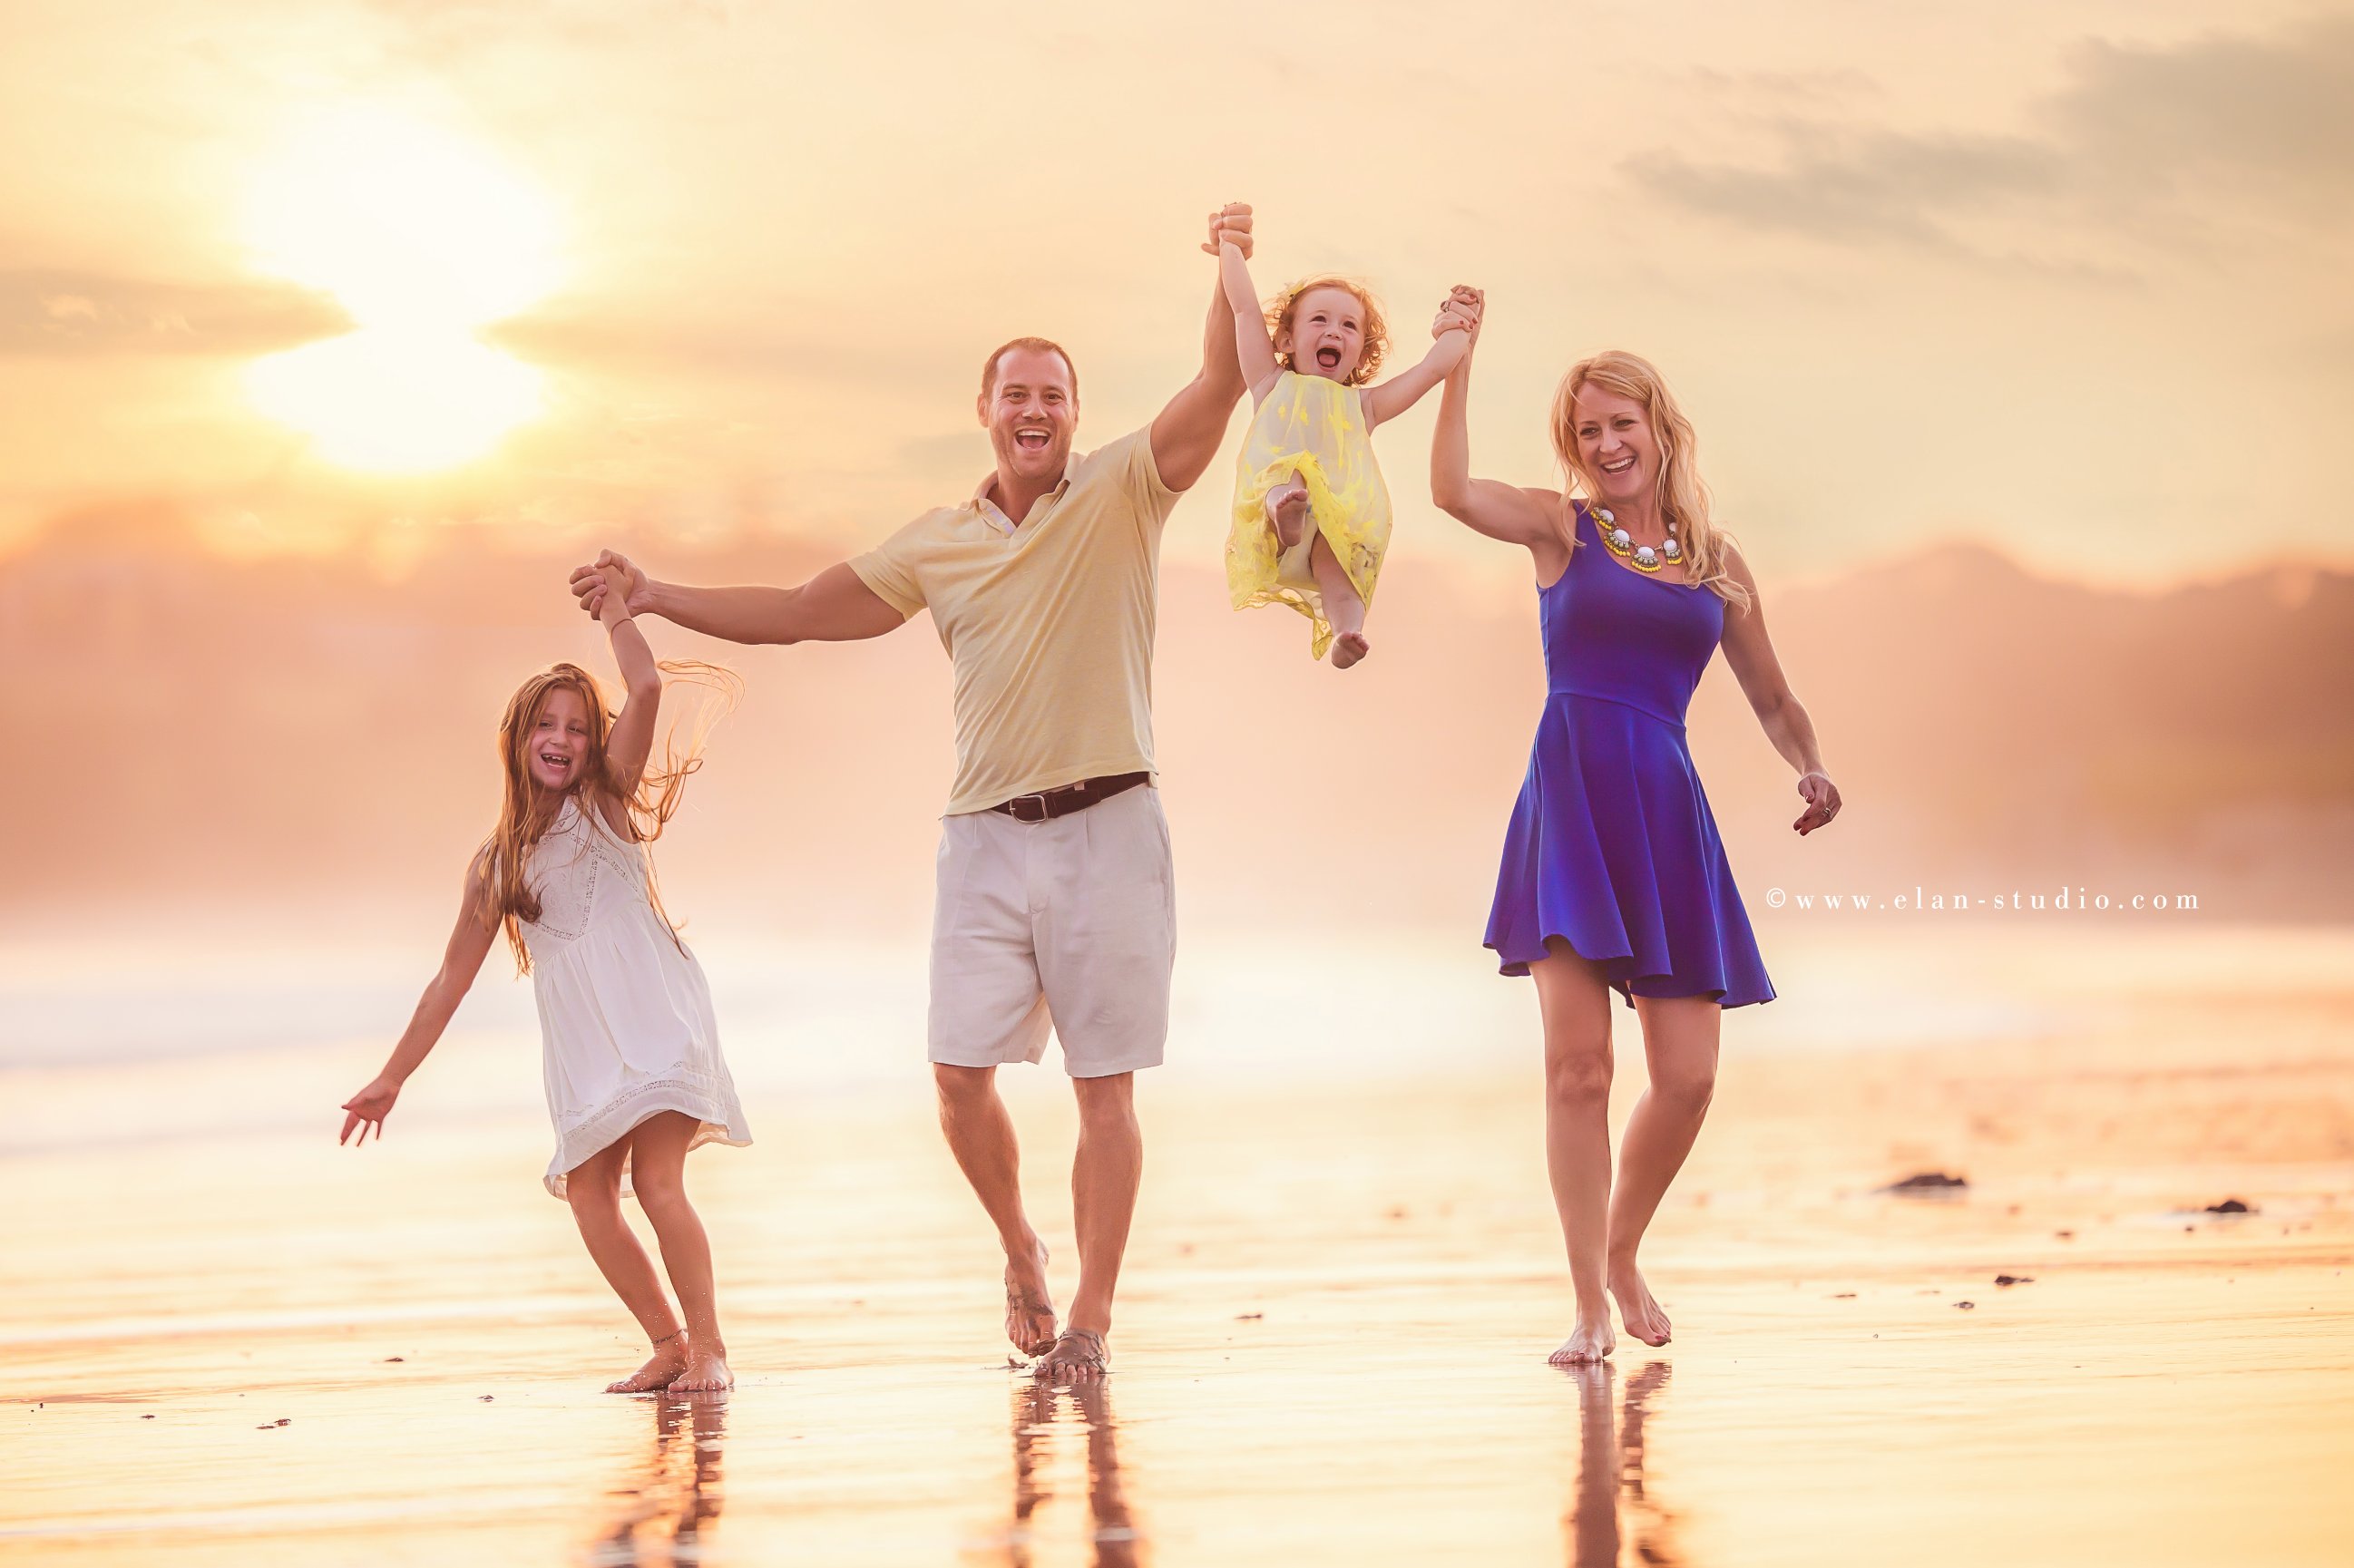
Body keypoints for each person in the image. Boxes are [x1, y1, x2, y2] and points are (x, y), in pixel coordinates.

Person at [566, 203, 1259, 1381]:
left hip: (1111, 826)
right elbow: (791, 615)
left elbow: (1223, 376)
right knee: (954, 1079)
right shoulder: (934, 544)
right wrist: (653, 593)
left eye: (1052, 395)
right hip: (983, 839)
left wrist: (1233, 256)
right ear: (984, 413)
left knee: (1104, 1088)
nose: (1033, 411)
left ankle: (1088, 1321)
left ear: (1072, 414)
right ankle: (1018, 1252)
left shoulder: (1124, 489)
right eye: (1013, 395)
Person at [1429, 292, 1841, 1365]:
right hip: (1570, 803)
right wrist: (1457, 363)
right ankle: (1586, 1304)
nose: (1608, 445)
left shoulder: (1716, 559)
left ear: (1661, 428)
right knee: (1579, 1071)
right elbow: (1450, 491)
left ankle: (1622, 1246)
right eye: (1588, 432)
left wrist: (1811, 768)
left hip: (1663, 809)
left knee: (1691, 1074)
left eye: (1624, 424)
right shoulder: (1559, 527)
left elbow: (1771, 696)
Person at [339, 566, 751, 1393]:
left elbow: (642, 685)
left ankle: (710, 1347)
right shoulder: (496, 865)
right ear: (518, 740)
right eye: (545, 726)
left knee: (655, 1180)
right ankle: (667, 1342)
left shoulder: (603, 803)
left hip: (654, 1014)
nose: (561, 738)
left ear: (593, 743)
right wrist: (390, 1077)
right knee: (590, 1195)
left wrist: (617, 611)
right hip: (584, 1044)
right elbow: (446, 983)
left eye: (575, 725)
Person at [1216, 244, 1471, 667]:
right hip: (1275, 513)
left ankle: (1345, 633)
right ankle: (1286, 514)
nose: (1335, 331)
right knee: (1287, 476)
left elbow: (1430, 370)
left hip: (1336, 520)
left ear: (1361, 352)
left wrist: (1460, 324)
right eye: (1320, 319)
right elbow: (1244, 309)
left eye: (1349, 326)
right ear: (1285, 339)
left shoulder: (1364, 406)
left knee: (1340, 576)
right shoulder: (1269, 381)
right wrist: (1229, 246)